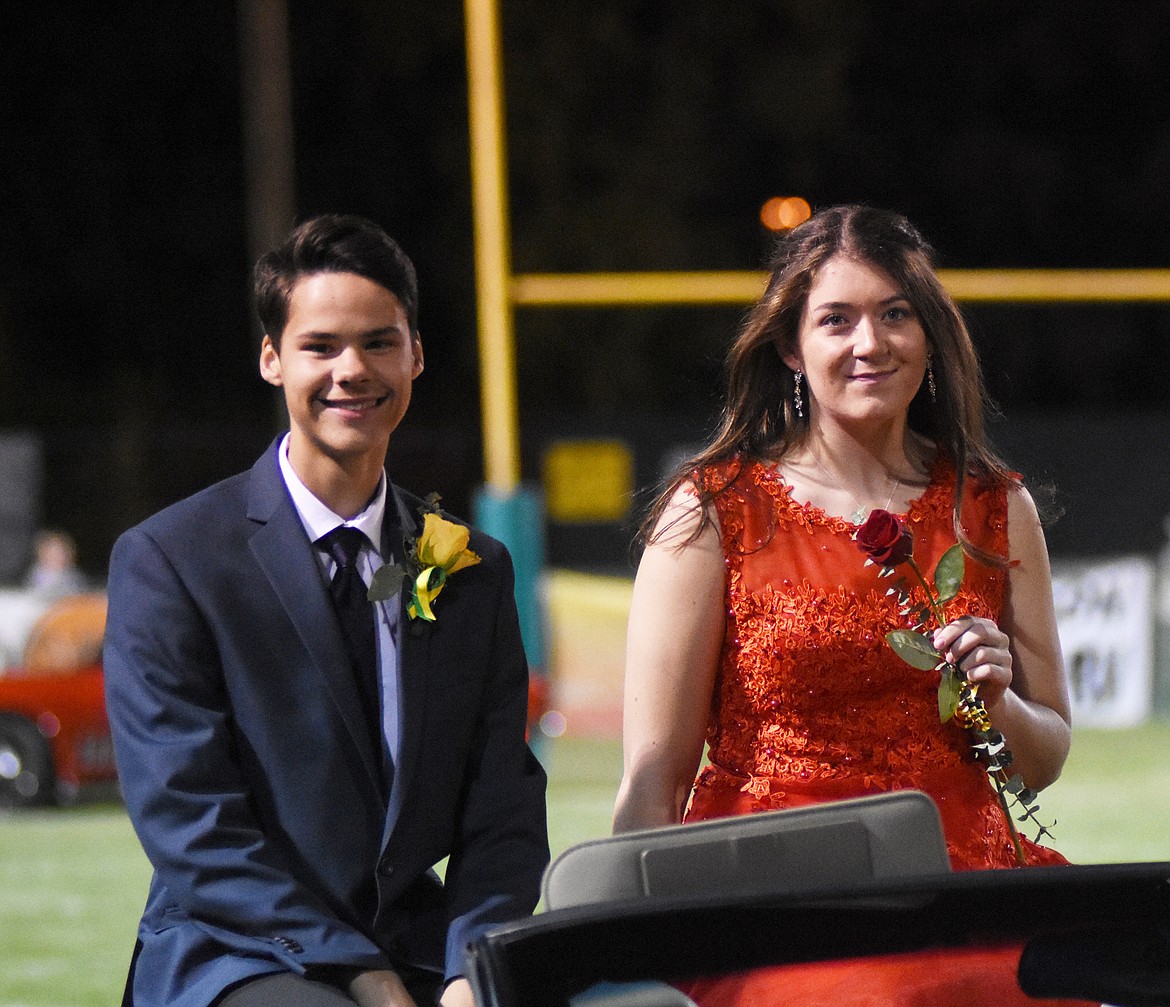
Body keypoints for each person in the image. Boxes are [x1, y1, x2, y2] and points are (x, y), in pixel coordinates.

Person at [612, 205, 1078, 1005]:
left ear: (929, 335)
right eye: (837, 319)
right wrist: (639, 947)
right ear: (792, 346)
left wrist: (998, 703)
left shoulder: (996, 507)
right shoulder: (714, 510)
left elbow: (1044, 761)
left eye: (896, 313)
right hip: (777, 898)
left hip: (965, 888)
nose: (871, 342)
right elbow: (653, 785)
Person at [104, 214, 548, 1007]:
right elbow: (188, 819)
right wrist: (363, 977)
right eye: (321, 346)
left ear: (415, 354)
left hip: (416, 948)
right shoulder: (171, 559)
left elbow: (503, 809)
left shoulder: (471, 567)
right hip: (235, 949)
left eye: (380, 342)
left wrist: (466, 970)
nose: (354, 369)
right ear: (272, 359)